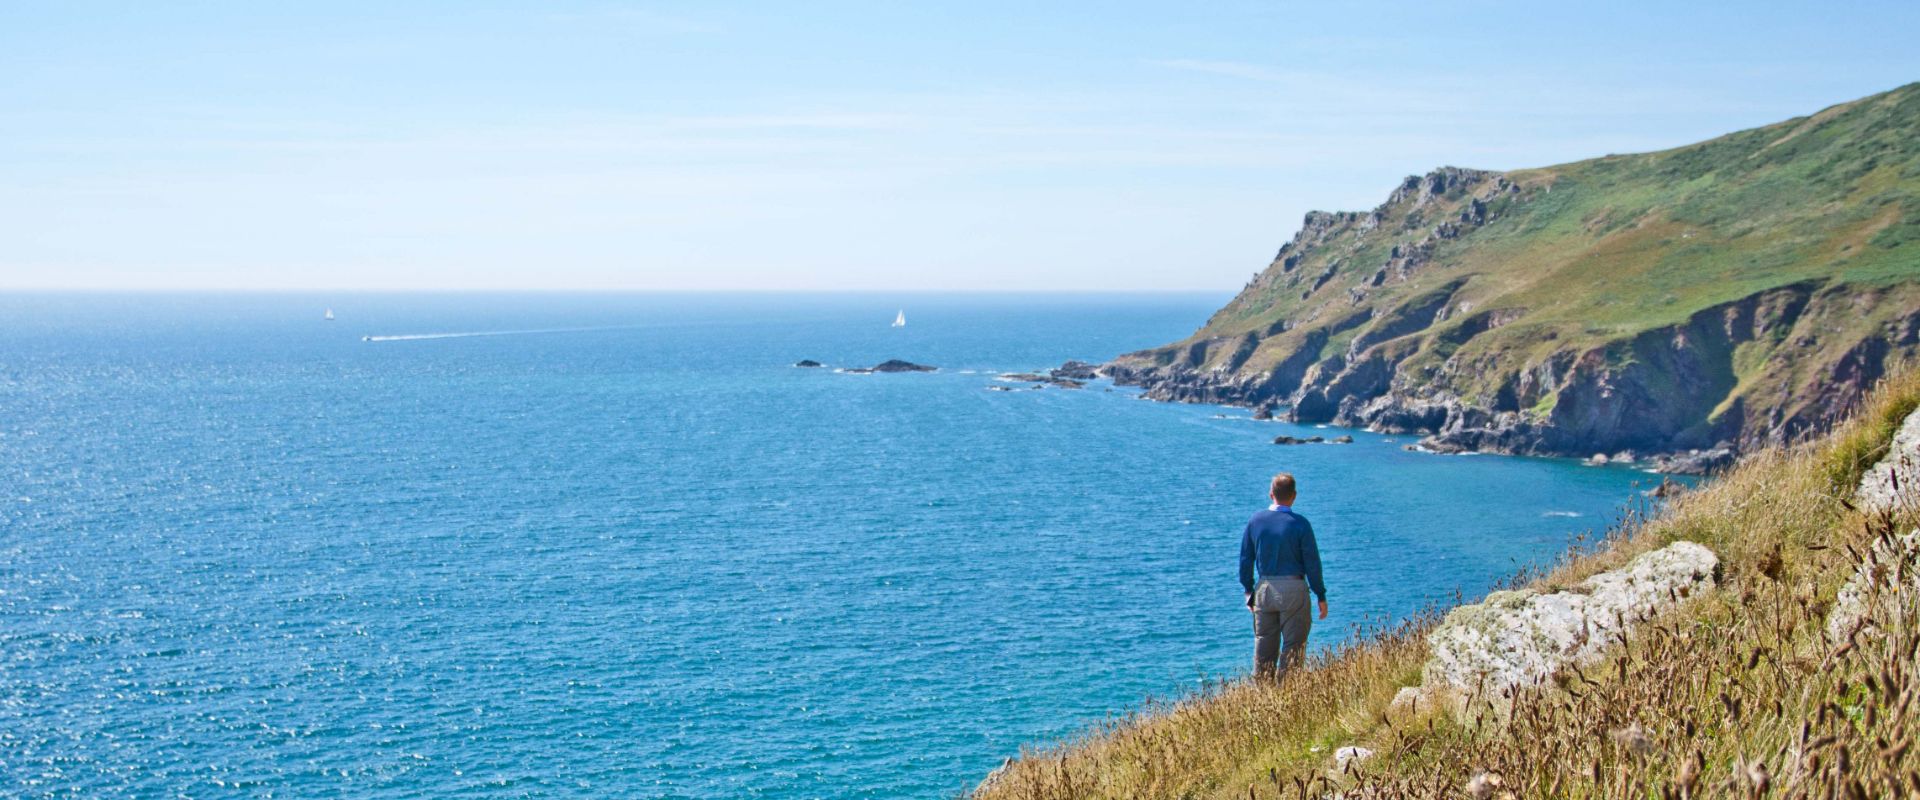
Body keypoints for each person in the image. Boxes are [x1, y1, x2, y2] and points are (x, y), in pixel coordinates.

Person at [1238, 472, 1327, 682]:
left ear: (1271, 494)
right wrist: (1320, 595)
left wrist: (1248, 590)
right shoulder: (1301, 524)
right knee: (1293, 647)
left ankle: (1263, 697)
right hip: (1294, 588)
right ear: (1294, 496)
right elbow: (1312, 563)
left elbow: (1245, 559)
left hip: (1265, 588)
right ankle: (1287, 694)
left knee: (1264, 645)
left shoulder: (1255, 521)